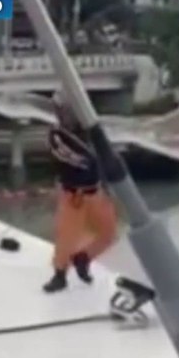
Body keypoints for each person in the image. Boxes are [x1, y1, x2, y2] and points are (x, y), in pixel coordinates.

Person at [43, 90, 118, 293]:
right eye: (61, 111)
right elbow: (83, 160)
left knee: (109, 233)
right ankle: (59, 275)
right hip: (73, 195)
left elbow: (101, 162)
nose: (64, 115)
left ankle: (83, 257)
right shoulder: (56, 135)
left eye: (67, 111)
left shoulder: (92, 133)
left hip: (95, 192)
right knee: (66, 237)